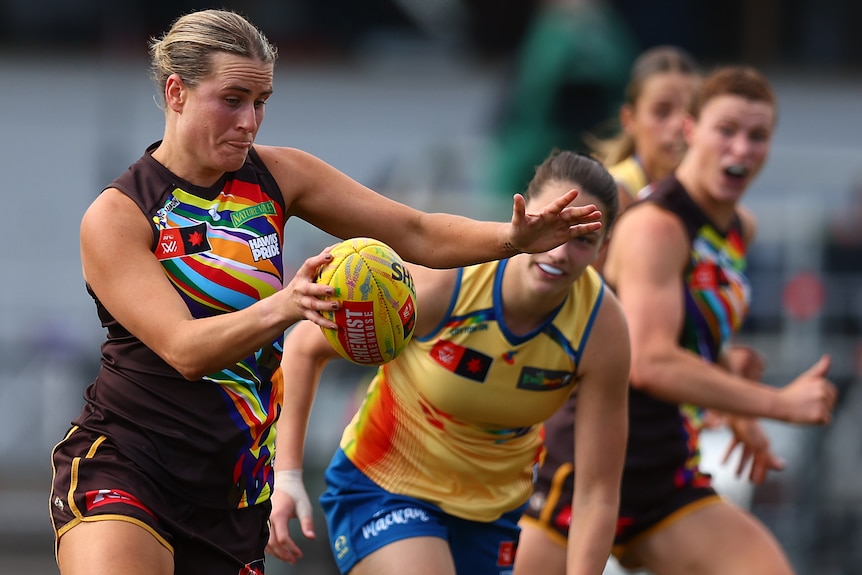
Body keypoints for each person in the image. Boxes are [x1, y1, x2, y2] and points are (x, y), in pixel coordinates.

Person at [47, 9, 606, 575]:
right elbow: (185, 349)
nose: (250, 121)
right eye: (232, 99)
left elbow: (414, 231)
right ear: (177, 92)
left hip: (231, 487)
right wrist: (288, 305)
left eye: (261, 102)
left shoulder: (280, 176)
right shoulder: (120, 215)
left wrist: (511, 237)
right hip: (128, 463)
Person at [523, 65, 838, 575]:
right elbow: (650, 361)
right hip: (581, 473)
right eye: (727, 130)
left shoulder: (739, 228)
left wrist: (733, 397)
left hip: (665, 477)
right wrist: (777, 403)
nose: (741, 149)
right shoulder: (655, 226)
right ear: (690, 132)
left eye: (757, 136)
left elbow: (685, 338)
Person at [266, 150, 631, 575]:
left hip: (493, 518)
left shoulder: (602, 330)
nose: (559, 251)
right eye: (548, 226)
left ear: (604, 248)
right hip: (384, 489)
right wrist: (286, 475)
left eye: (582, 238)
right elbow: (304, 347)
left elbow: (597, 494)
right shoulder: (448, 283)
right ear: (520, 218)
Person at [514, 44, 703, 575]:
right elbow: (572, 308)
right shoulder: (618, 198)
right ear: (630, 118)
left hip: (658, 441)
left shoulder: (710, 214)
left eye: (692, 114)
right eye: (663, 111)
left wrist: (725, 374)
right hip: (579, 428)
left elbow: (670, 328)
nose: (679, 129)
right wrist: (772, 403)